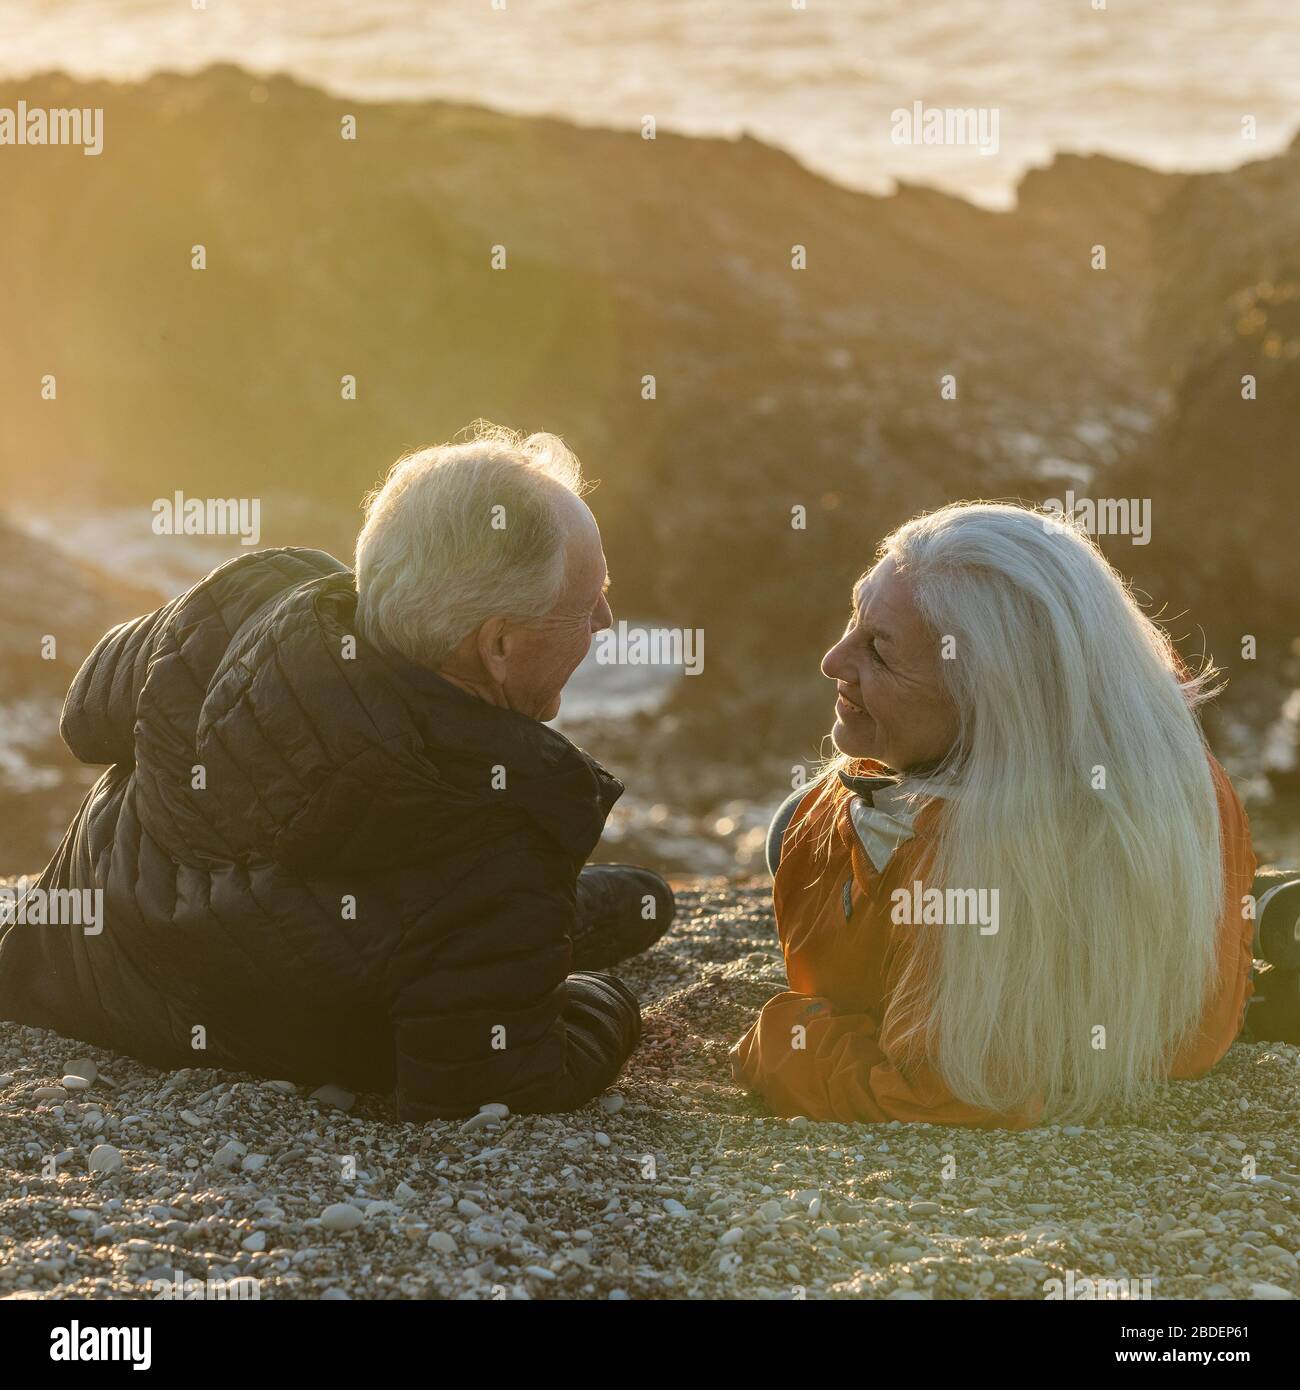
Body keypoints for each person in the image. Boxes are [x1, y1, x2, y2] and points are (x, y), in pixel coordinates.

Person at [0, 424, 672, 1119]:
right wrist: (611, 1001)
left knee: (614, 902)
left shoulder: (244, 600)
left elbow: (84, 719)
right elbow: (496, 1087)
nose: (605, 618)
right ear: (497, 644)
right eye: (587, 599)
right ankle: (550, 940)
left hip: (60, 980)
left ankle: (557, 926)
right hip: (245, 1023)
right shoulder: (503, 842)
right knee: (571, 914)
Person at [732, 501, 1274, 1128]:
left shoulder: (966, 861)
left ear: (993, 701)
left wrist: (778, 1038)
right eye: (855, 618)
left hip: (932, 919)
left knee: (792, 825)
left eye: (878, 651)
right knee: (803, 813)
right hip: (1173, 1013)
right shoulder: (1189, 781)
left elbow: (939, 1096)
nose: (833, 660)